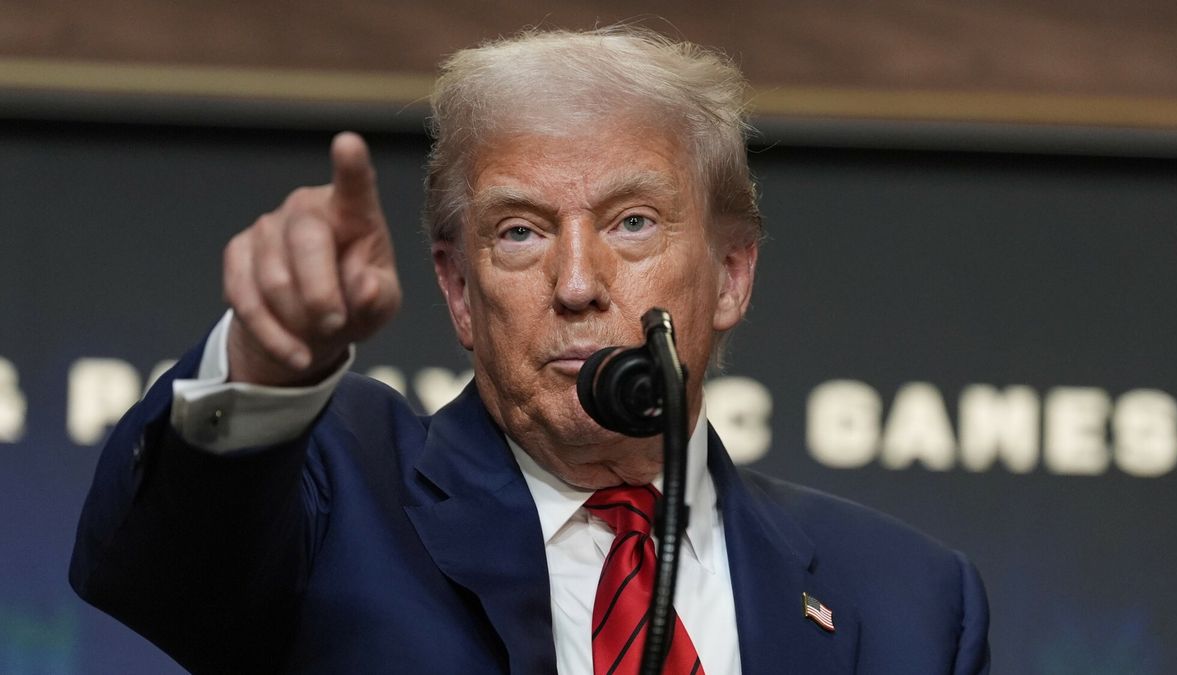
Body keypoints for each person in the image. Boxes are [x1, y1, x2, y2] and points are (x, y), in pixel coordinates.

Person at [70, 27, 990, 674]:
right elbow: (163, 562)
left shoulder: (909, 600)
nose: (578, 281)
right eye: (520, 232)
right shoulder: (340, 499)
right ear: (461, 291)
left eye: (632, 223)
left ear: (732, 274)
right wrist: (269, 361)